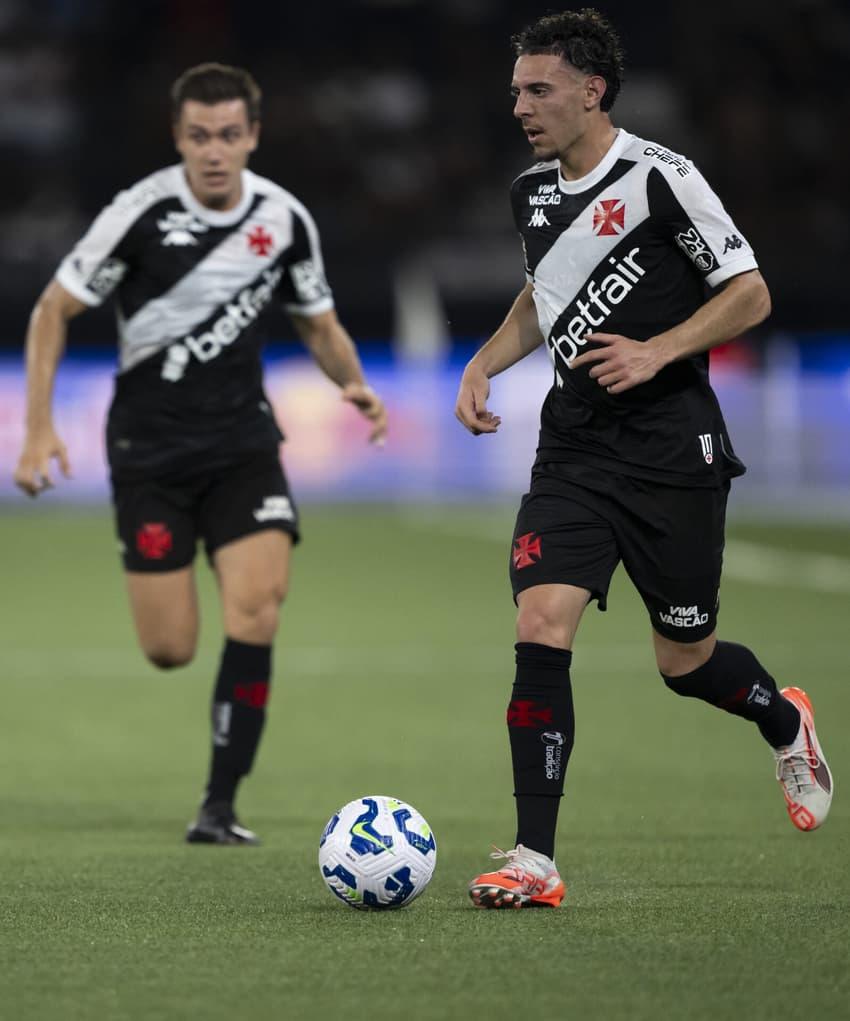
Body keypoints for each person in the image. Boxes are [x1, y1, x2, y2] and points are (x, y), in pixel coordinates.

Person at [455, 10, 833, 908]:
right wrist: (481, 362)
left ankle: (784, 718)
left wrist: (659, 349)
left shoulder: (666, 180)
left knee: (685, 662)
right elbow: (542, 298)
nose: (521, 106)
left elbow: (750, 292)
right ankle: (533, 859)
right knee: (540, 623)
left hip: (672, 452)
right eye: (516, 90)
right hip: (574, 450)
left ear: (593, 91)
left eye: (538, 89)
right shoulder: (530, 194)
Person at [13, 63, 387, 846]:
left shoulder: (283, 220)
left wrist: (353, 383)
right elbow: (53, 309)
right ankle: (215, 789)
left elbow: (317, 322)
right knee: (169, 647)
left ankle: (219, 805)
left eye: (228, 135)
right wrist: (39, 426)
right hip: (148, 453)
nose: (214, 152)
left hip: (243, 446)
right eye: (197, 137)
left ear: (253, 135)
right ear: (177, 137)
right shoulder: (138, 215)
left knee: (257, 609)